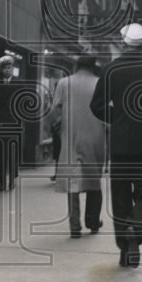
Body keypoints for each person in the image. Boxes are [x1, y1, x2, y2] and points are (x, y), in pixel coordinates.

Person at [90, 23, 142, 268]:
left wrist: (117, 118)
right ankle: (135, 226)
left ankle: (125, 251)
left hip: (120, 145)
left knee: (121, 197)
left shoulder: (111, 69)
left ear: (123, 43)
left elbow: (96, 105)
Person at [49, 54, 106, 238]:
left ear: (76, 66)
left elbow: (55, 110)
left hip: (71, 136)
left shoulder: (64, 83)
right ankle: (93, 221)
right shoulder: (100, 83)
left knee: (73, 179)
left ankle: (75, 225)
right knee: (94, 180)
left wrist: (58, 128)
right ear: (93, 67)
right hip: (96, 137)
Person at [0, 54, 21, 191]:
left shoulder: (19, 84)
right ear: (1, 70)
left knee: (12, 154)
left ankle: (12, 180)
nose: (7, 70)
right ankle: (2, 183)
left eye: (10, 67)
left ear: (13, 68)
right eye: (5, 68)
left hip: (13, 125)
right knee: (0, 154)